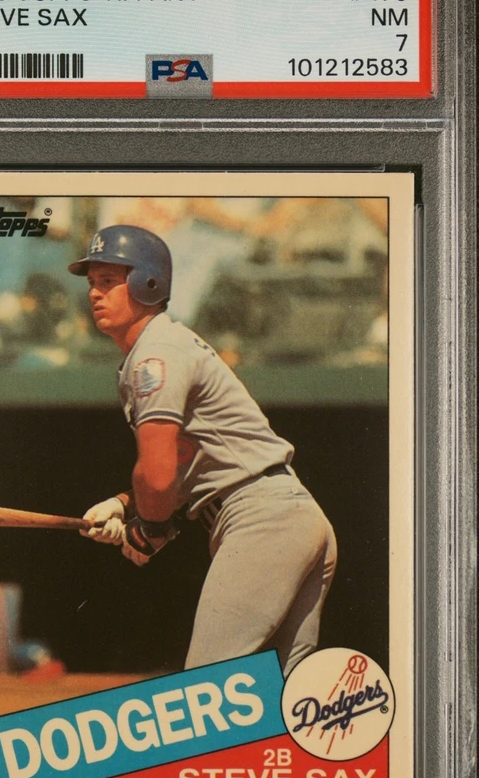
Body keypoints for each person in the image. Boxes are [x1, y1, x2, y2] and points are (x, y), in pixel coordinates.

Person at [68, 225, 337, 676]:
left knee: (206, 690)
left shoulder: (155, 356)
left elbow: (158, 474)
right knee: (286, 698)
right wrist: (124, 506)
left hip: (262, 522)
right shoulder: (166, 345)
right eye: (92, 282)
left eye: (109, 281)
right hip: (292, 515)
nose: (95, 293)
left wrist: (150, 529)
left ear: (148, 283)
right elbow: (183, 463)